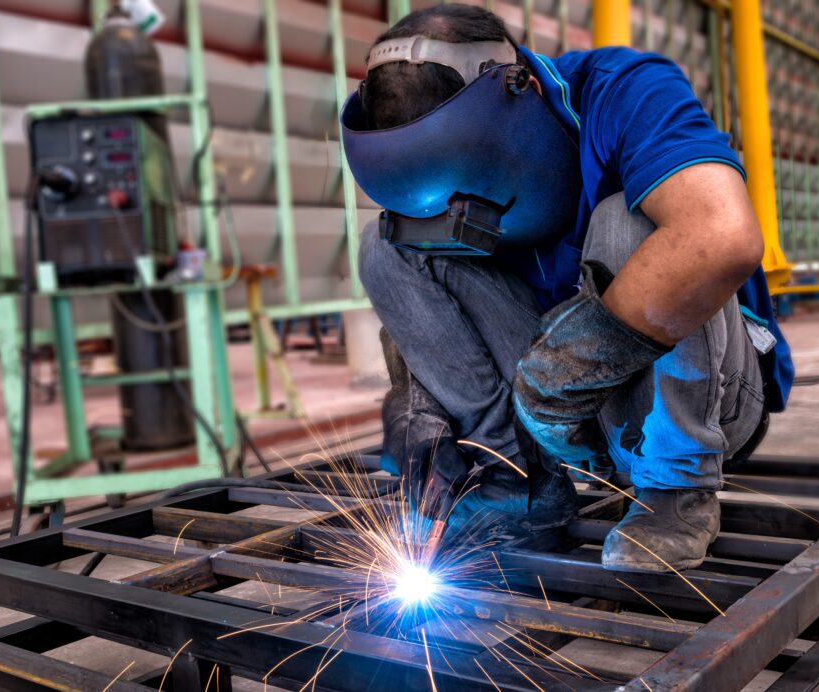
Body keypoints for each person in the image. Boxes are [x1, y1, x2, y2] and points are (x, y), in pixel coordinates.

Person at [340, 5, 793, 572]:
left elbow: (722, 238)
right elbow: (434, 301)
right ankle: (514, 485)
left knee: (629, 222)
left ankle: (676, 493)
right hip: (556, 426)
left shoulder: (624, 89)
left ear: (522, 87)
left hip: (709, 398)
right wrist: (423, 398)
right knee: (387, 246)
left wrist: (567, 368)